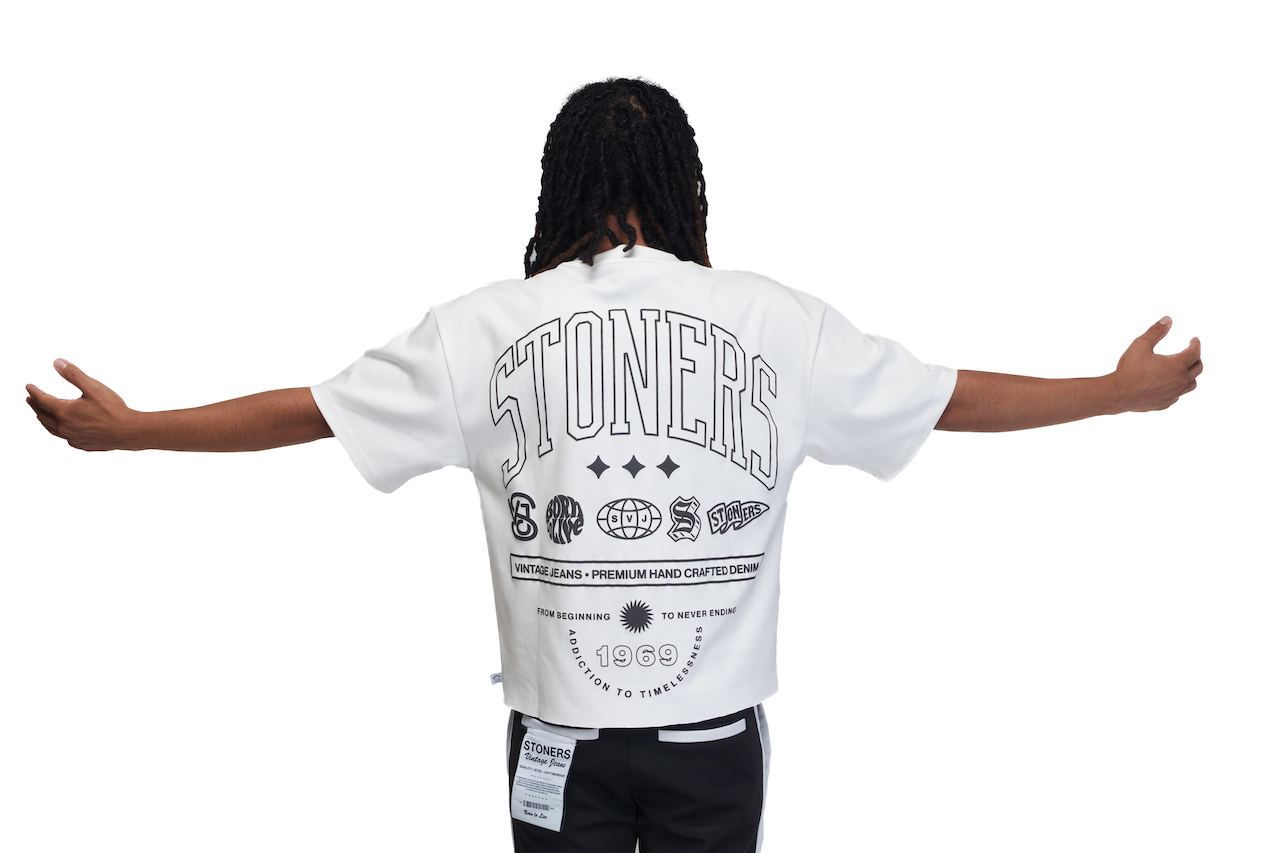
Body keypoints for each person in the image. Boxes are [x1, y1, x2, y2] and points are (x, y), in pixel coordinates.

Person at [24, 78, 1202, 853]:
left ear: (560, 186)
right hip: (709, 743)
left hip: (557, 742)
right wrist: (1115, 391)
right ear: (687, 187)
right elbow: (951, 399)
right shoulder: (773, 321)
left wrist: (137, 429)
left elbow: (307, 411)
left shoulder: (480, 330)